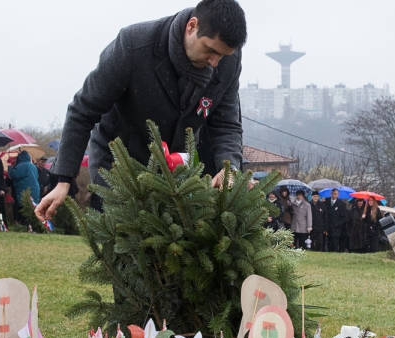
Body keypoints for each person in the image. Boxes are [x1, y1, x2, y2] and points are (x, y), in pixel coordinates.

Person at [36, 0, 248, 220]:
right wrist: (64, 180)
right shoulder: (133, 45)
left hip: (175, 167)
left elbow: (226, 124)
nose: (215, 63)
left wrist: (229, 168)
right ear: (192, 26)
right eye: (210, 51)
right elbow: (83, 110)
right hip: (118, 162)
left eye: (223, 56)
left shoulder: (228, 61)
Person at [324, 188, 347, 252]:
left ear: (338, 195)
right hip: (327, 227)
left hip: (336, 228)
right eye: (332, 193)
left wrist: (336, 224)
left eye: (335, 194)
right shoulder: (326, 201)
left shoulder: (341, 204)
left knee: (335, 244)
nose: (333, 195)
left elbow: (344, 217)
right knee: (328, 244)